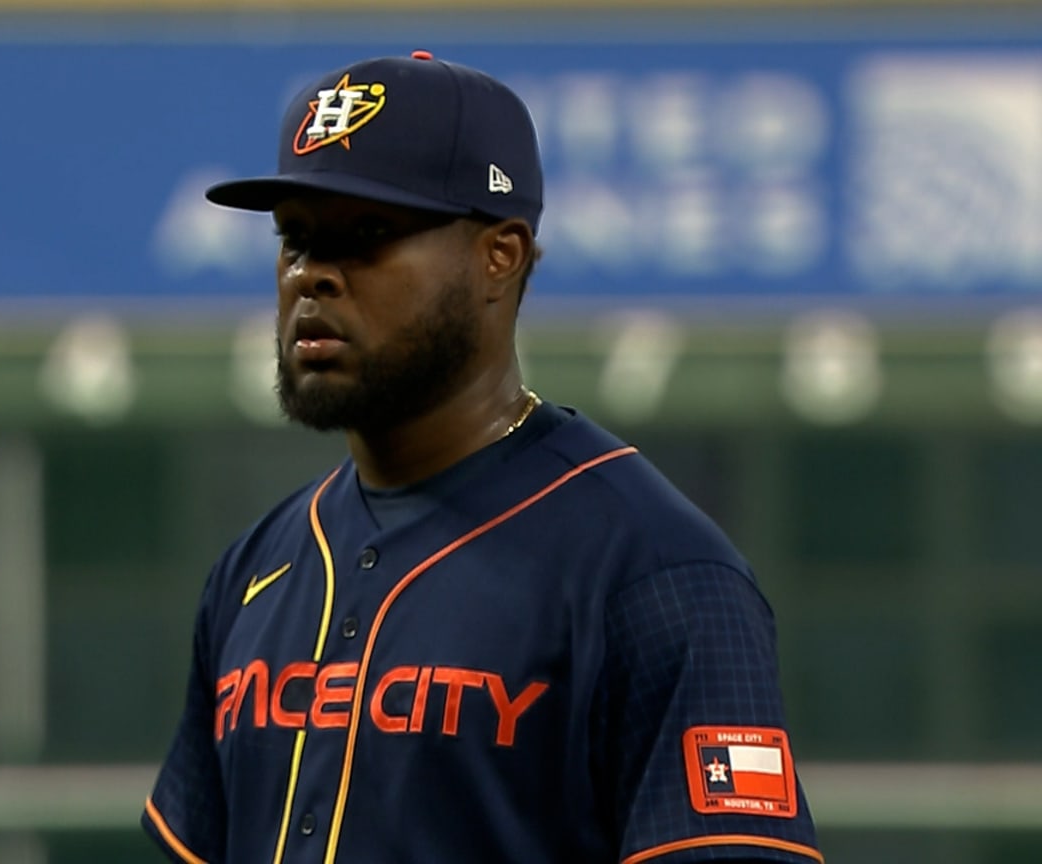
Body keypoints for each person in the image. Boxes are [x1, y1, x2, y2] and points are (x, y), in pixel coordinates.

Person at [142, 50, 820, 864]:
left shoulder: (658, 577)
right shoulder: (256, 570)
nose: (313, 276)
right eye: (296, 238)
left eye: (367, 236)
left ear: (499, 256)